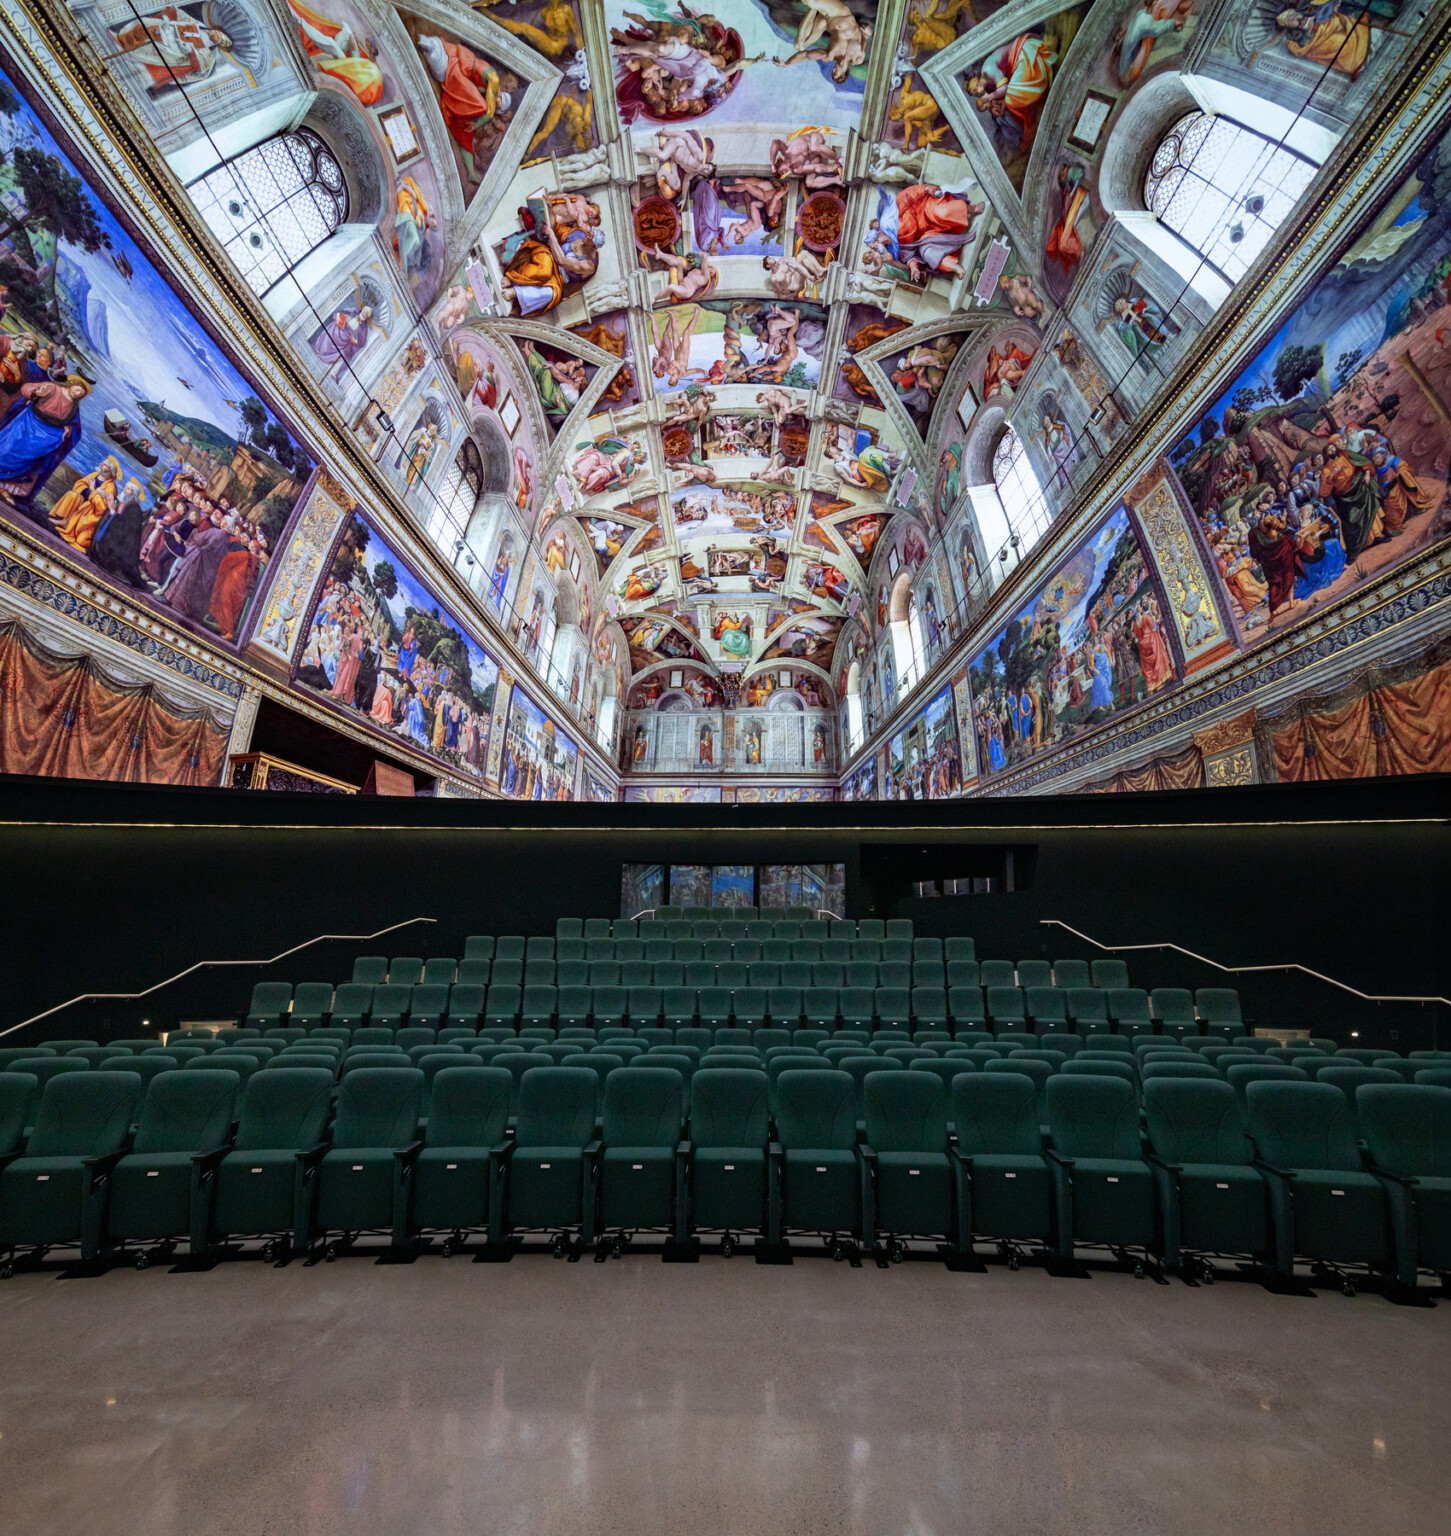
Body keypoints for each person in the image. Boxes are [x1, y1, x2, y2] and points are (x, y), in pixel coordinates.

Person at [0, 376, 90, 517]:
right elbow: (27, 387)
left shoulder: (73, 406)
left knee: (29, 463)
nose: (78, 393)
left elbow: (76, 427)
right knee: (7, 451)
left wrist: (69, 430)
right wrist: (35, 393)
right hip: (28, 424)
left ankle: (4, 489)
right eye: (78, 389)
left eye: (81, 394)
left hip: (46, 437)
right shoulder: (53, 388)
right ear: (73, 384)